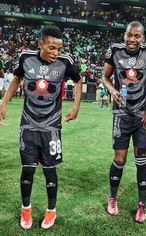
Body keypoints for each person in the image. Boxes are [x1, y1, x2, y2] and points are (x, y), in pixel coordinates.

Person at [0, 26, 82, 229]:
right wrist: (3, 102)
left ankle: (51, 211)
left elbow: (79, 81)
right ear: (41, 45)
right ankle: (25, 210)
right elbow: (17, 78)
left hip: (51, 127)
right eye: (51, 48)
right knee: (27, 170)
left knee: (49, 171)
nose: (56, 53)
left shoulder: (65, 63)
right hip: (28, 125)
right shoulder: (25, 58)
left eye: (59, 49)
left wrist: (76, 106)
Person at [103, 21, 146, 223]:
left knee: (141, 160)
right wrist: (112, 90)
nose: (132, 39)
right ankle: (112, 198)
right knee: (120, 159)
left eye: (137, 36)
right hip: (121, 114)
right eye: (130, 35)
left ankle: (142, 205)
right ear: (124, 35)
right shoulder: (114, 50)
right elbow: (105, 76)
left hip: (142, 115)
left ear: (143, 38)